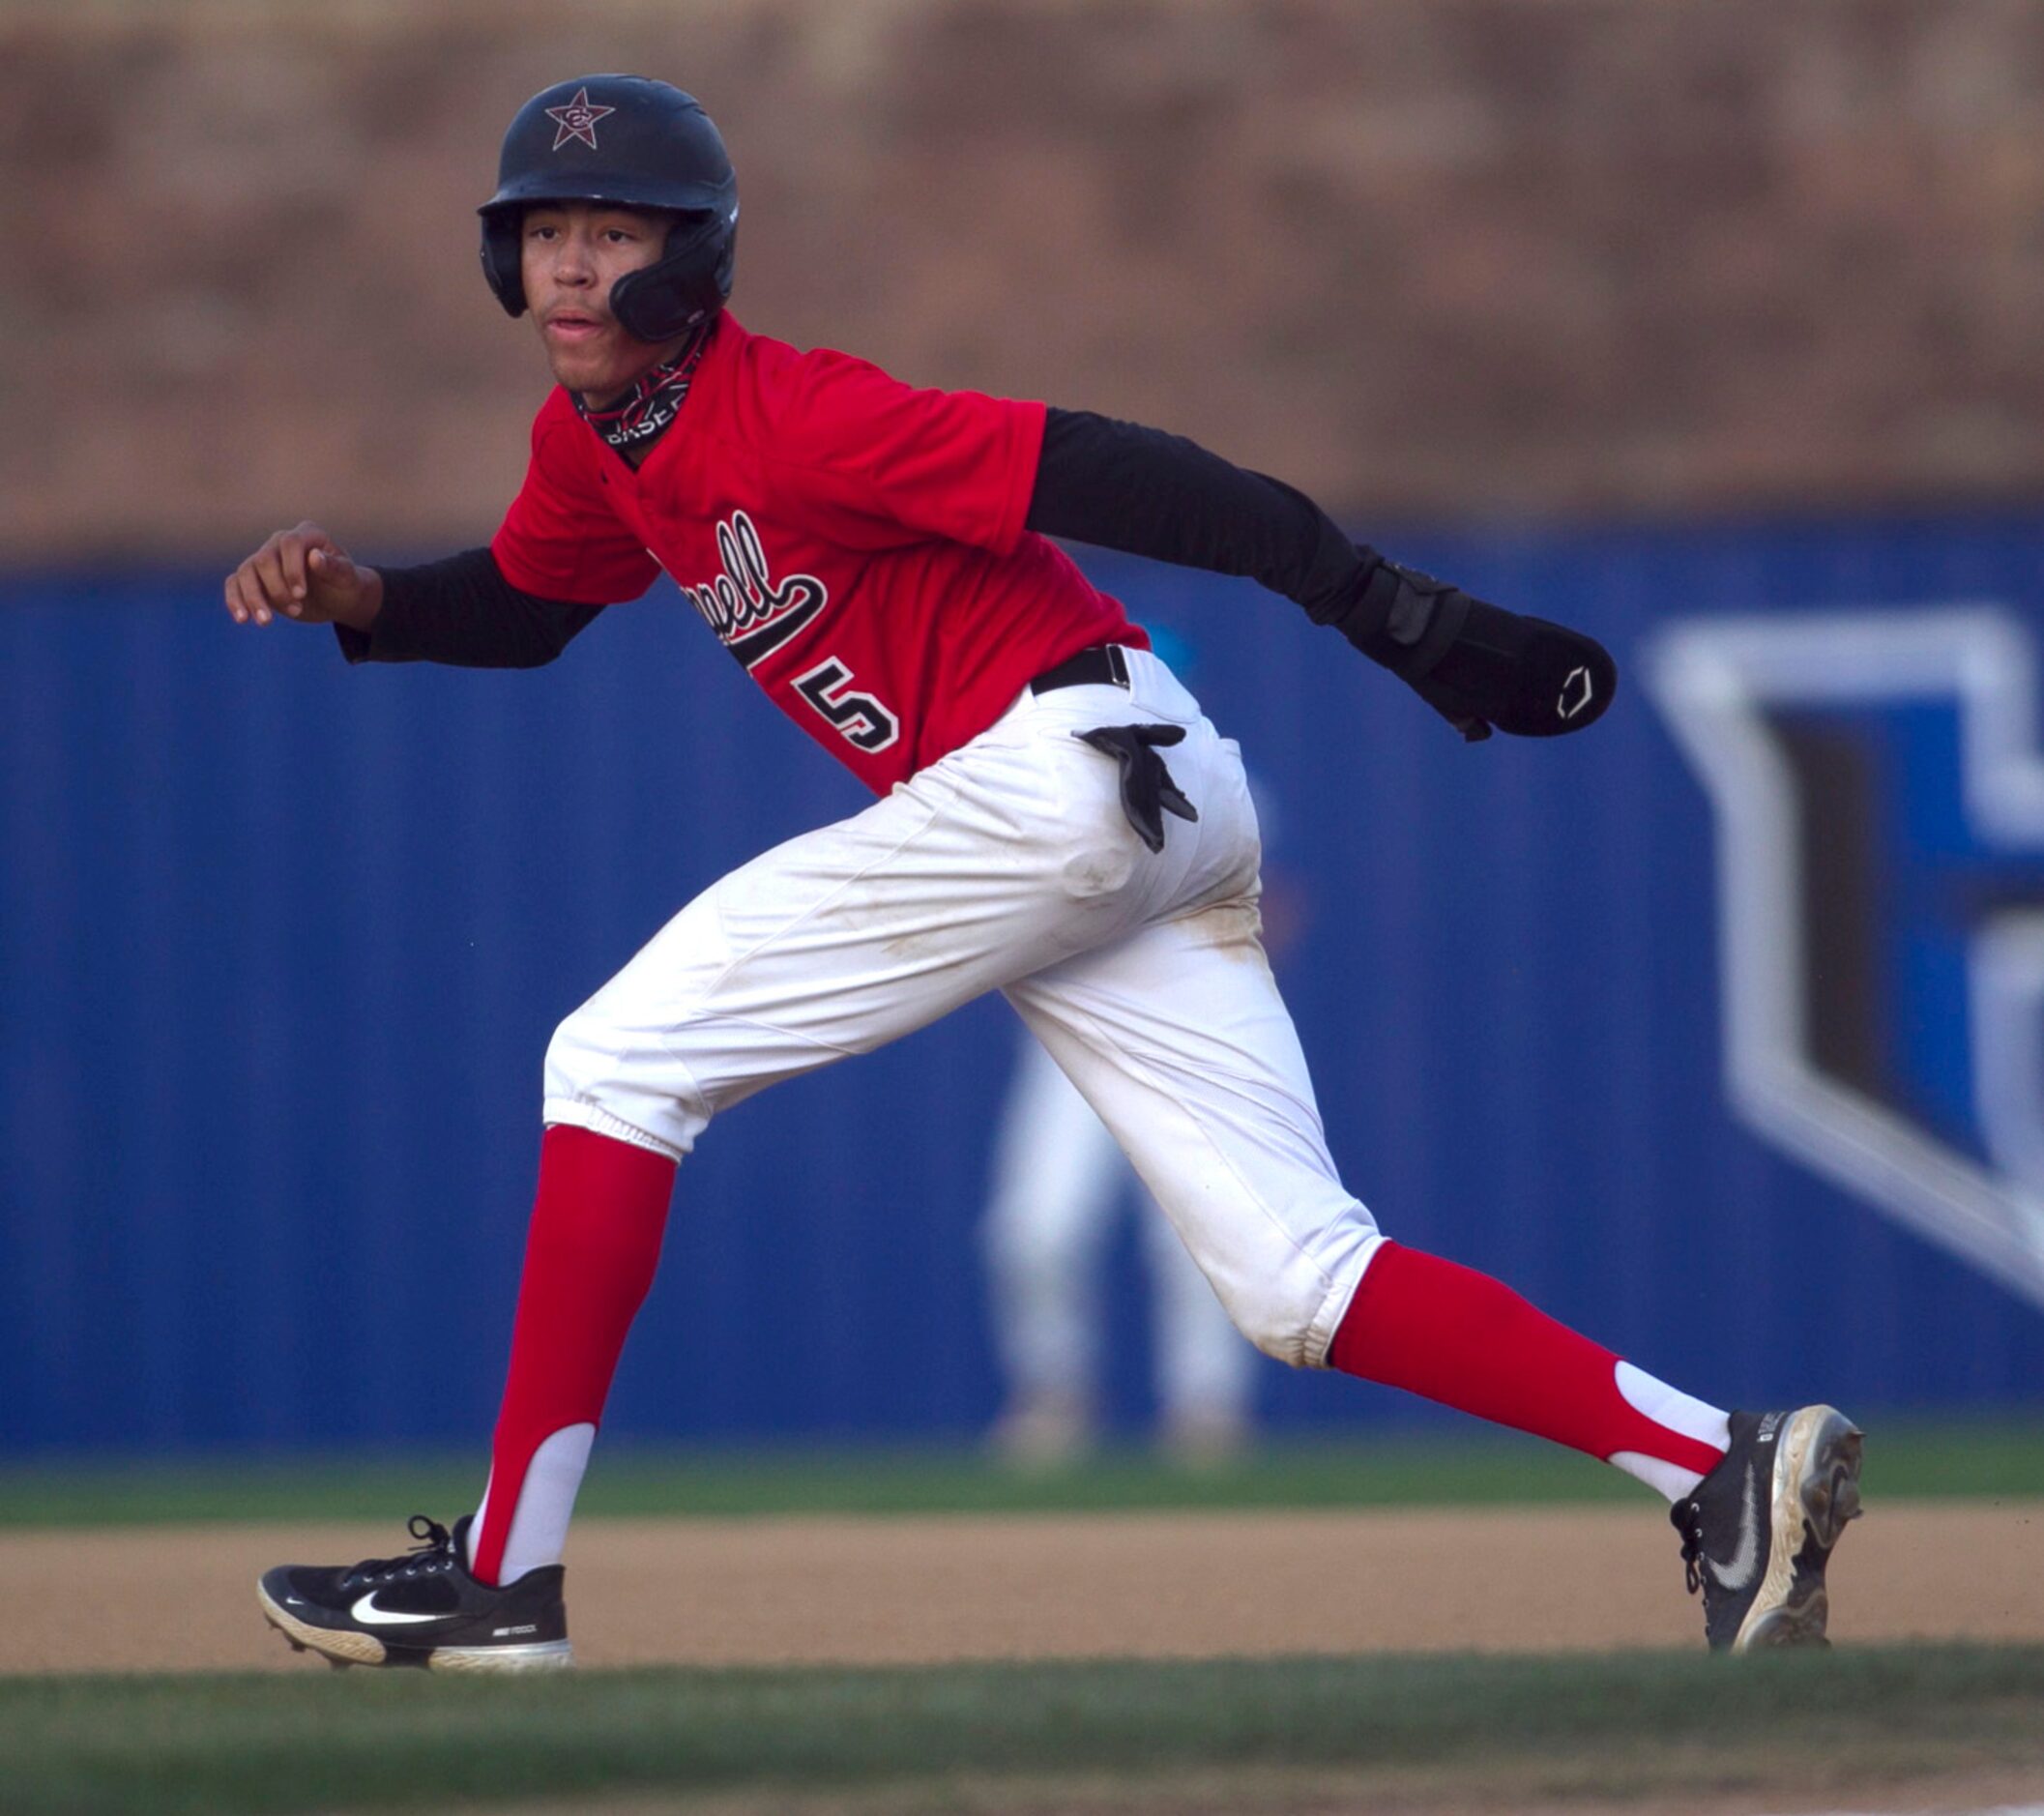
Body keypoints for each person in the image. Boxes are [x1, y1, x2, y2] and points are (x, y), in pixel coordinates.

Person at [233, 74, 1860, 1672]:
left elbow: (1119, 468)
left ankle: (507, 1580)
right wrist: (361, 595)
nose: (577, 265)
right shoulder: (594, 446)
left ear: (698, 258)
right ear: (499, 260)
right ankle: (1718, 1467)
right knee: (1295, 1279)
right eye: (545, 231)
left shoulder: (792, 411)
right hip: (1138, 798)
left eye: (616, 229)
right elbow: (522, 608)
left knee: (613, 1058)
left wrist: (1383, 606)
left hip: (1056, 776)